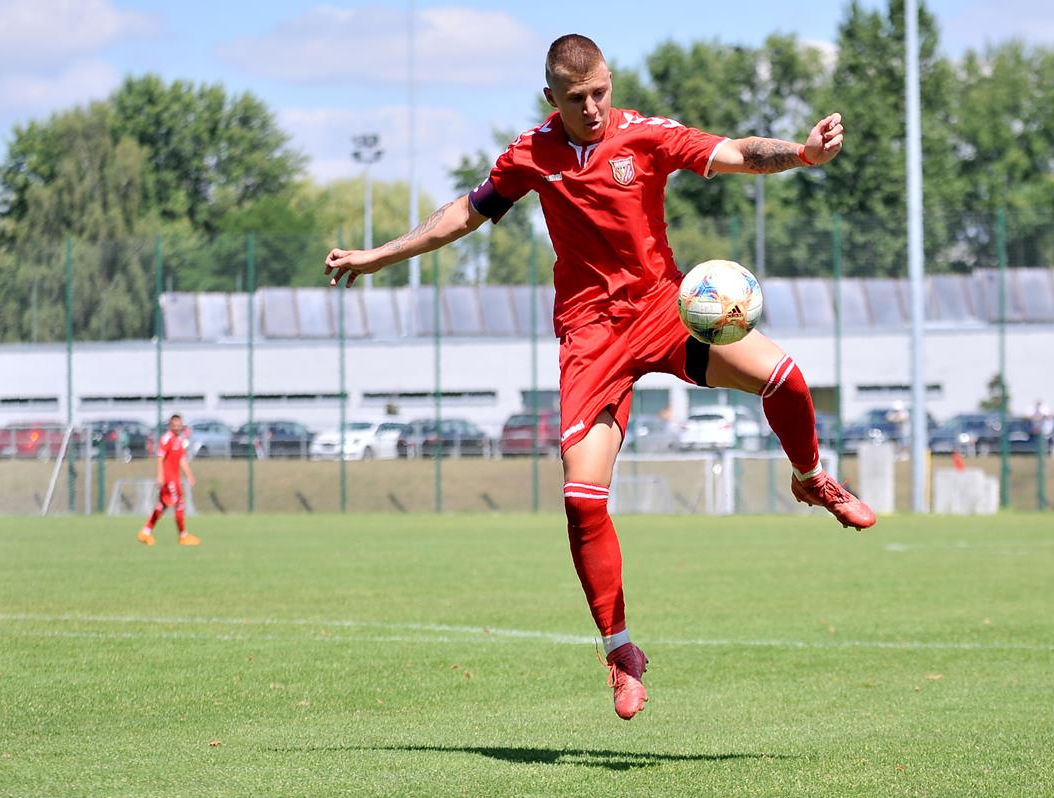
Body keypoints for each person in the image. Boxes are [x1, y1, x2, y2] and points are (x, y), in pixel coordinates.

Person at [324, 33, 876, 721]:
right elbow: (465, 212)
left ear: (610, 82)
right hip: (591, 339)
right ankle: (620, 653)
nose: (591, 107)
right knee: (582, 501)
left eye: (599, 92)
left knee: (786, 378)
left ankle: (811, 478)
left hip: (664, 312)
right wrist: (380, 255)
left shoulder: (645, 136)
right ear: (550, 97)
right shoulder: (531, 154)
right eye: (575, 97)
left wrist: (803, 154)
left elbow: (734, 152)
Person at [137, 414, 199, 546]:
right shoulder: (166, 439)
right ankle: (183, 536)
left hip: (174, 478)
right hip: (169, 479)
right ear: (170, 426)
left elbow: (181, 460)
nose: (177, 427)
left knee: (162, 505)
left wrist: (189, 475)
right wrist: (160, 475)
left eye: (179, 425)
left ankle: (145, 532)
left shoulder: (179, 440)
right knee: (179, 504)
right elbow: (160, 457)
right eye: (174, 425)